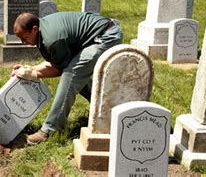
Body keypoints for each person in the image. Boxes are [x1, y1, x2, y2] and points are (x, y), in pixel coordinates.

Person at [11, 12, 123, 145]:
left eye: (24, 38)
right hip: (98, 35)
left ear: (34, 29)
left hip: (106, 36)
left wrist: (33, 73)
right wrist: (29, 69)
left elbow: (60, 70)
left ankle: (50, 129)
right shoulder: (43, 32)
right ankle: (109, 111)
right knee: (77, 77)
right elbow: (54, 63)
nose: (23, 42)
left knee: (72, 74)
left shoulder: (52, 39)